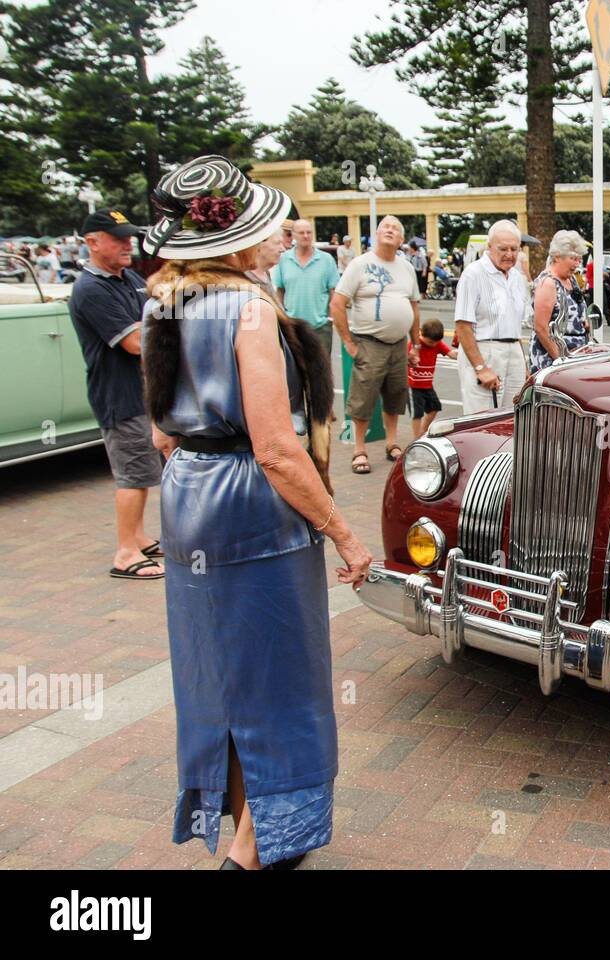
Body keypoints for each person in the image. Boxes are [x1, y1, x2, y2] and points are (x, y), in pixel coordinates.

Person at [139, 154, 371, 871]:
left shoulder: (162, 302)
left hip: (187, 495)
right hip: (252, 506)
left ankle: (250, 821)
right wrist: (343, 533)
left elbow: (161, 432)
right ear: (237, 242)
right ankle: (256, 847)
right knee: (280, 678)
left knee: (216, 675)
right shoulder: (248, 309)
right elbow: (274, 447)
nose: (274, 237)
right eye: (263, 230)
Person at [67, 209, 163, 581]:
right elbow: (136, 341)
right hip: (119, 396)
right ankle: (125, 552)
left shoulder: (129, 278)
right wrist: (158, 324)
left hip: (142, 392)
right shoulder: (91, 289)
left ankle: (139, 537)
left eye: (128, 237)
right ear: (92, 243)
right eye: (118, 238)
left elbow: (154, 317)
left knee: (143, 470)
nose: (128, 244)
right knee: (132, 475)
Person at [331, 215, 421, 474]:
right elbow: (337, 304)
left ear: (401, 239)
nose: (390, 230)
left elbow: (414, 307)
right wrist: (348, 342)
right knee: (363, 398)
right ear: (376, 234)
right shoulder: (360, 265)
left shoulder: (406, 268)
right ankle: (359, 449)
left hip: (399, 344)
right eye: (385, 227)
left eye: (396, 228)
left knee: (395, 395)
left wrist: (415, 344)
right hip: (369, 342)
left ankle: (392, 443)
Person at [454, 219, 530, 415]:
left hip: (513, 351)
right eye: (503, 249)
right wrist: (480, 367)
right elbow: (463, 326)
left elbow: (514, 327)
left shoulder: (517, 277)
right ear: (489, 247)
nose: (509, 254)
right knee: (482, 417)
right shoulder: (473, 274)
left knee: (513, 416)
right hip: (485, 350)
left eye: (514, 249)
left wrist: (522, 365)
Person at [274, 219, 339, 359]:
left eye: (309, 232)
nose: (306, 236)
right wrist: (283, 317)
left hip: (320, 327)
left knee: (321, 368)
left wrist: (330, 319)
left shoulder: (326, 260)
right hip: (293, 326)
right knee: (295, 367)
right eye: (301, 232)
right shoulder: (283, 260)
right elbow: (280, 291)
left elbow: (333, 292)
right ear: (293, 235)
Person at [529, 230, 589, 372]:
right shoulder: (548, 283)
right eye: (573, 259)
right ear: (557, 257)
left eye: (579, 259)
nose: (577, 264)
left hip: (574, 356)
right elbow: (541, 328)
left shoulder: (571, 279)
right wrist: (560, 359)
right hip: (553, 359)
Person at [407, 318, 457, 439]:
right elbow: (404, 358)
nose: (433, 345)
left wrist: (462, 354)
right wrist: (411, 360)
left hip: (427, 385)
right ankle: (416, 438)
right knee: (417, 413)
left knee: (434, 408)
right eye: (430, 342)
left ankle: (423, 431)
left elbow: (451, 354)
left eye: (436, 342)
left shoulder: (437, 344)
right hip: (413, 385)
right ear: (422, 334)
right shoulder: (415, 345)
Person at [245, 236, 283, 303]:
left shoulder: (265, 273)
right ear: (258, 246)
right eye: (277, 243)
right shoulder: (246, 280)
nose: (283, 249)